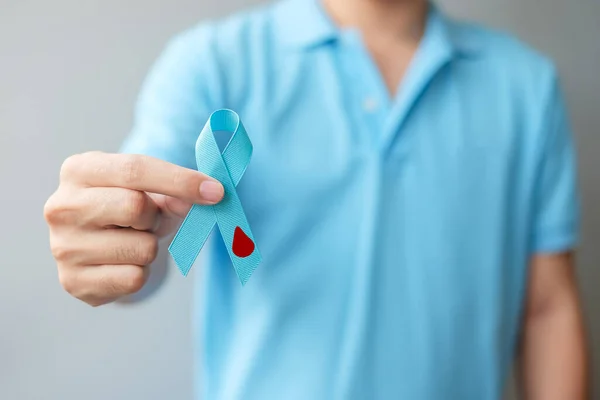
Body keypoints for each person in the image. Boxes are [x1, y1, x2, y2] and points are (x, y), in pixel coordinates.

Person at [43, 0, 589, 398]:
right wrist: (116, 240)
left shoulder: (526, 88)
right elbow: (151, 223)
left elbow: (547, 307)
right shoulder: (213, 65)